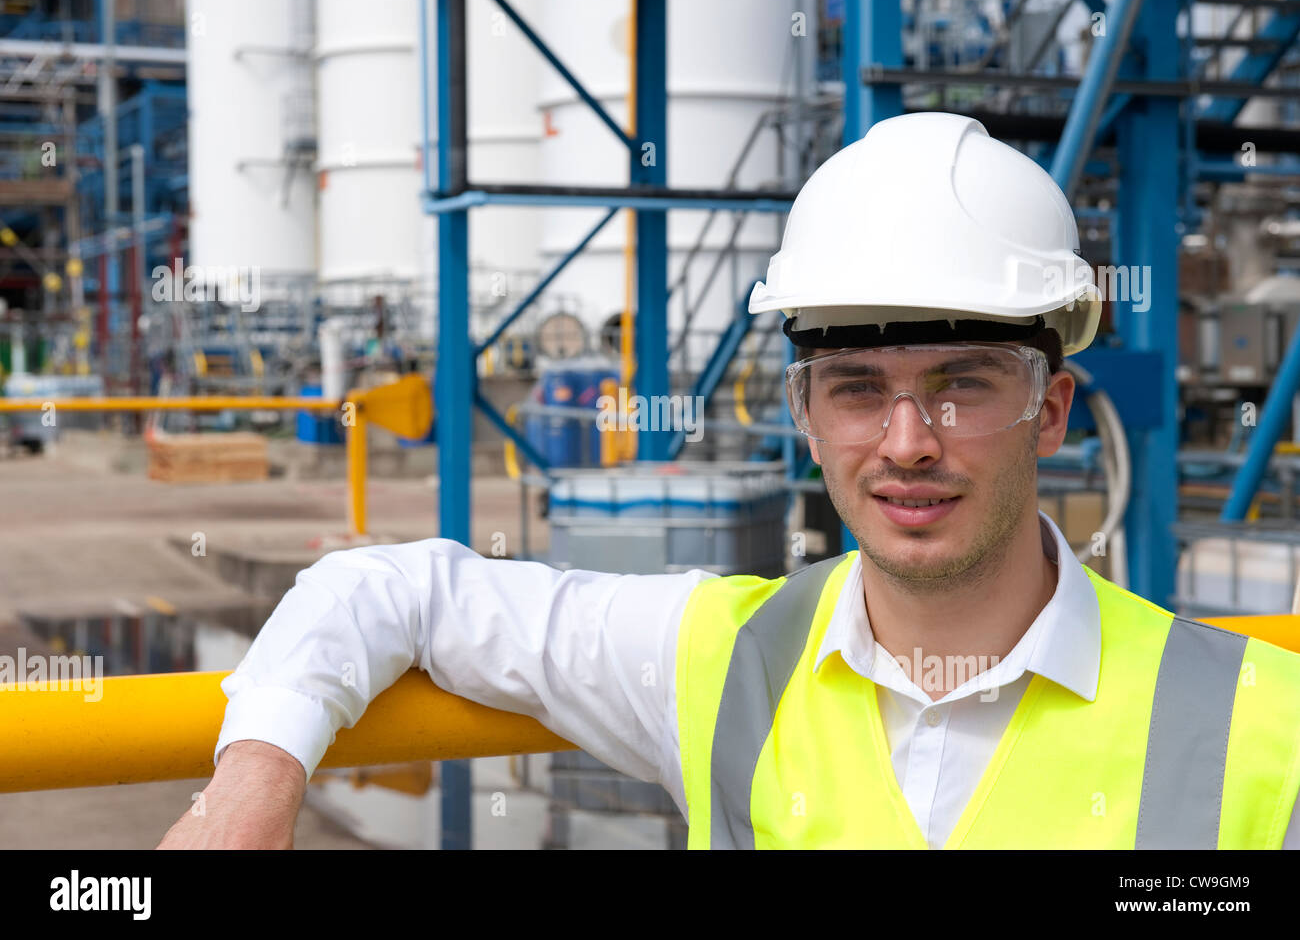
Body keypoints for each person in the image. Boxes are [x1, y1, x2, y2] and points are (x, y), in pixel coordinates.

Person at [158, 113, 1300, 849]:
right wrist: (255, 779)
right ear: (804, 416)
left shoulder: (1263, 729)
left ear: (1050, 409)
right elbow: (378, 591)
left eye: (961, 383)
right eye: (856, 385)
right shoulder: (720, 659)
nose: (906, 440)